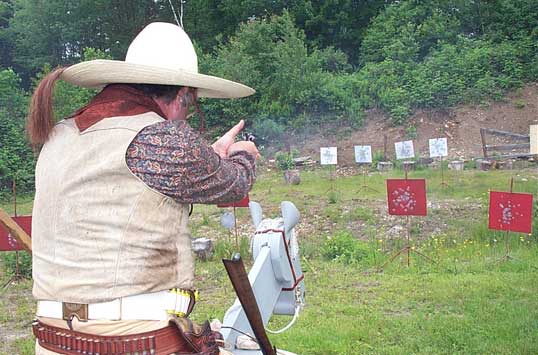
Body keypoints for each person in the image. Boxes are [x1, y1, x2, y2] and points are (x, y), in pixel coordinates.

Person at [27, 22, 258, 355]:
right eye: (188, 105)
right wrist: (243, 154)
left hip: (52, 340)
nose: (184, 118)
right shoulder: (160, 138)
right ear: (182, 94)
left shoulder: (57, 135)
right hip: (132, 340)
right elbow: (235, 184)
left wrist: (209, 157)